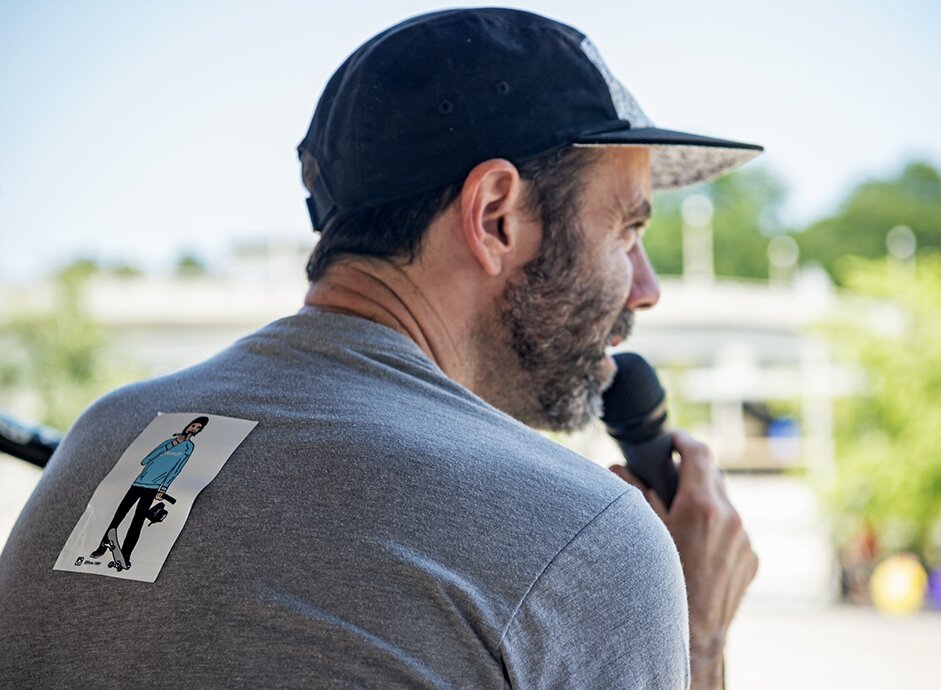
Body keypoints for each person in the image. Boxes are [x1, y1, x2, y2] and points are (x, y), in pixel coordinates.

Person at [0, 8, 760, 688]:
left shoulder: (107, 438)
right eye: (627, 230)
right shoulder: (583, 541)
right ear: (496, 217)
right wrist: (697, 638)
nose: (645, 288)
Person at [88, 416, 207, 568]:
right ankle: (102, 546)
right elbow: (146, 460)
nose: (194, 429)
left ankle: (126, 555)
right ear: (188, 426)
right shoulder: (169, 442)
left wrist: (163, 488)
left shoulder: (189, 448)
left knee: (138, 521)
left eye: (198, 428)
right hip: (138, 483)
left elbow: (177, 469)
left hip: (153, 488)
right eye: (193, 425)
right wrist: (172, 444)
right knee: (119, 515)